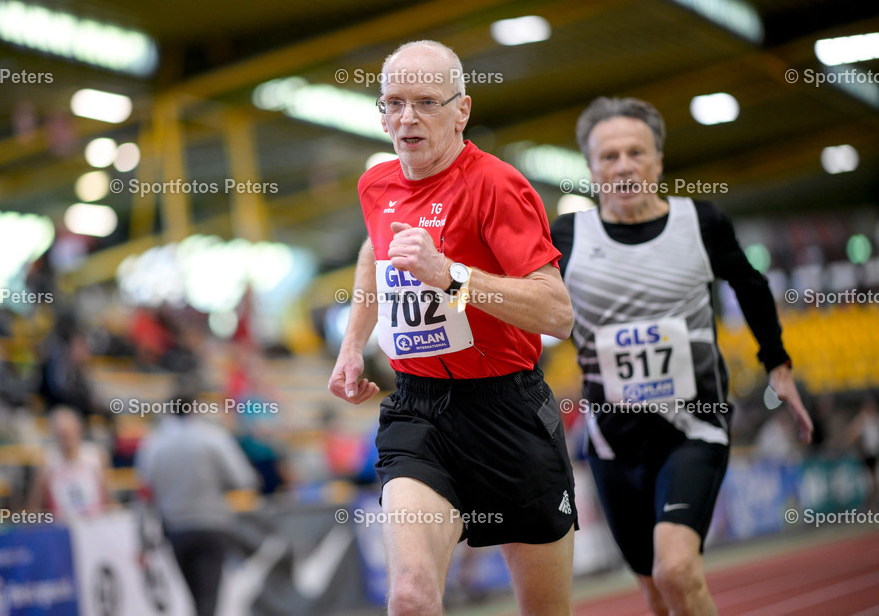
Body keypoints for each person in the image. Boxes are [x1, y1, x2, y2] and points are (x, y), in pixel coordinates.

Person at [328, 40, 577, 615]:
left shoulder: (497, 186)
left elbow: (556, 312)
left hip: (507, 411)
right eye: (392, 103)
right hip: (418, 410)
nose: (406, 118)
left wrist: (451, 277)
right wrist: (352, 344)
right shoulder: (377, 184)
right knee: (411, 597)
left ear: (461, 109)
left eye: (425, 103)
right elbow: (375, 248)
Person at [551, 96, 813, 616]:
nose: (623, 165)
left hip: (693, 428)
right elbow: (529, 309)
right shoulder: (565, 237)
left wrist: (777, 366)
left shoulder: (702, 222)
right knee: (653, 590)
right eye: (609, 156)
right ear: (590, 168)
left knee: (677, 568)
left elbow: (752, 285)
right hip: (612, 442)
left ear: (658, 161)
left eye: (635, 152)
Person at [135, 392, 259, 616]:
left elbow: (144, 495)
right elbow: (243, 479)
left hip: (176, 529)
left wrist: (142, 542)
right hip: (211, 525)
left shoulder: (153, 444)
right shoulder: (212, 437)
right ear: (195, 409)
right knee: (208, 597)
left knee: (195, 597)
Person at [27, 406, 112, 519]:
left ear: (78, 429)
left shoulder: (95, 456)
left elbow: (107, 499)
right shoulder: (46, 462)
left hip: (94, 524)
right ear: (55, 435)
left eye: (69, 432)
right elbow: (35, 506)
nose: (67, 438)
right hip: (62, 527)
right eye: (62, 434)